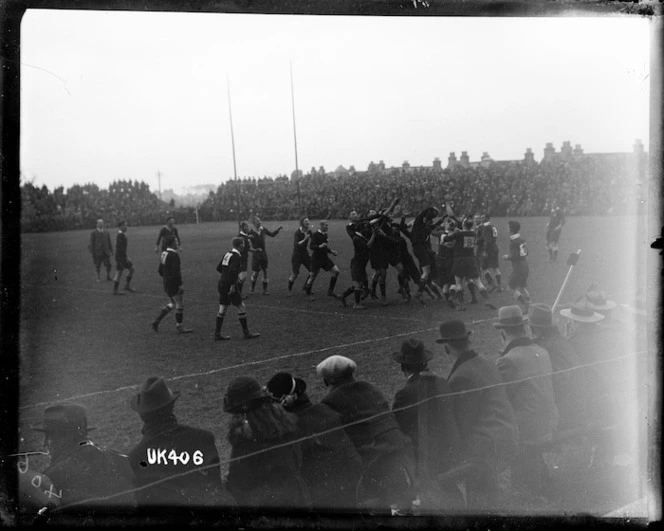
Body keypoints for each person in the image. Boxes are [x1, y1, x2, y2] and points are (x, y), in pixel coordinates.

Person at [316, 355, 415, 515]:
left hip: (371, 463)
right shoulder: (370, 388)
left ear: (329, 380)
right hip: (397, 455)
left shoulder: (330, 400)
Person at [437, 320, 518, 512]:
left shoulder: (461, 375)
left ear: (447, 347)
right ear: (467, 341)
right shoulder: (485, 362)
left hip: (487, 445)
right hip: (505, 434)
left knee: (478, 499)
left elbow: (464, 423)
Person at [266, 373, 363, 510]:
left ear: (285, 402)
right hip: (353, 485)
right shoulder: (326, 410)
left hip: (323, 497)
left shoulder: (288, 431)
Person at [128, 377, 227, 507]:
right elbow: (215, 489)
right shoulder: (203, 439)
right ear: (171, 406)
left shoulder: (135, 458)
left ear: (142, 415)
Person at [493, 305, 559, 496]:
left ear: (503, 332)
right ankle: (538, 483)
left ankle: (525, 491)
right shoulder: (541, 350)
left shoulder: (508, 360)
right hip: (549, 422)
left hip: (528, 430)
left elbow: (502, 399)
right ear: (523, 328)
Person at [391, 338, 464, 511]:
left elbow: (398, 427)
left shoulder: (405, 393)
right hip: (450, 450)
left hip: (424, 458)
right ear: (425, 363)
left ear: (403, 367)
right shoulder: (442, 382)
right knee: (448, 493)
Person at [223, 376, 311, 509]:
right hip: (297, 497)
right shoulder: (285, 423)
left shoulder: (245, 440)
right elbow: (297, 459)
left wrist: (226, 482)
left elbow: (239, 485)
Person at [31, 403, 136, 510]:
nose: (44, 444)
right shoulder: (119, 459)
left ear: (68, 437)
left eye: (49, 436)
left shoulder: (49, 479)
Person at [561, 301, 624, 470]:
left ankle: (598, 463)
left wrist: (567, 337)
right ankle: (605, 458)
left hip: (591, 391)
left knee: (595, 426)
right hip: (609, 385)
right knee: (605, 424)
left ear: (575, 321)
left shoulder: (574, 340)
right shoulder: (602, 333)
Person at [528, 303, 589, 431]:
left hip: (568, 416)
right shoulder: (560, 341)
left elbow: (559, 385)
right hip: (577, 407)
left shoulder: (546, 348)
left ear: (534, 328)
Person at [214, 237, 260, 341]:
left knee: (222, 308)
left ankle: (217, 334)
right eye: (243, 244)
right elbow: (232, 271)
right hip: (229, 285)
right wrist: (233, 285)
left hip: (222, 283)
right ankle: (246, 333)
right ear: (240, 245)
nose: (244, 246)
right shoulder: (236, 257)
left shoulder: (227, 254)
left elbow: (219, 268)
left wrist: (225, 277)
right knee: (241, 306)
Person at [443, 217, 490, 310]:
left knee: (458, 283)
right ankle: (489, 301)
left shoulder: (458, 234)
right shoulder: (473, 233)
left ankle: (461, 305)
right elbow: (464, 234)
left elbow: (446, 239)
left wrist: (450, 231)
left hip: (459, 260)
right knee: (478, 282)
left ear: (464, 224)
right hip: (471, 259)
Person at [151, 235, 193, 334]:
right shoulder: (174, 255)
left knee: (172, 303)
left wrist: (166, 278)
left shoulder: (164, 253)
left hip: (166, 283)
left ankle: (156, 321)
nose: (177, 243)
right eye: (176, 242)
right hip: (173, 284)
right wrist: (180, 284)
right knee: (179, 303)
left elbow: (160, 270)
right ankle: (179, 326)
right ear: (172, 243)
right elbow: (176, 272)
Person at [338, 221, 376, 309]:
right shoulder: (357, 239)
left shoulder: (360, 236)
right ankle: (356, 304)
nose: (367, 229)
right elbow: (368, 246)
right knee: (358, 284)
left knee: (361, 282)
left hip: (361, 264)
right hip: (357, 264)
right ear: (361, 229)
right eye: (365, 228)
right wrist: (374, 235)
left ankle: (343, 295)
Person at [304, 220, 341, 301]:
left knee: (336, 272)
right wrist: (319, 246)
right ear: (321, 226)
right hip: (316, 259)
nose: (327, 227)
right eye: (326, 225)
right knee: (312, 276)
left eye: (327, 225)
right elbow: (311, 246)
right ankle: (308, 295)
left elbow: (325, 247)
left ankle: (330, 291)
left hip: (324, 258)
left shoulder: (325, 235)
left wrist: (331, 251)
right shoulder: (315, 235)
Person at [248, 215, 283, 295]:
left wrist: (278, 230)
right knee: (256, 272)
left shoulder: (263, 230)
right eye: (257, 221)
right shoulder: (251, 232)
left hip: (263, 253)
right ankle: (252, 288)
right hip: (256, 254)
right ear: (253, 223)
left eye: (260, 220)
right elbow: (245, 241)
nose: (259, 222)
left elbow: (272, 234)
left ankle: (265, 290)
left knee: (265, 271)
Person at [502, 220, 530, 309]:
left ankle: (526, 304)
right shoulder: (521, 240)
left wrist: (507, 257)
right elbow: (526, 253)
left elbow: (514, 256)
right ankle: (528, 307)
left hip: (518, 268)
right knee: (522, 287)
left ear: (511, 230)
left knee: (510, 288)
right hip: (525, 265)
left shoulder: (513, 242)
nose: (507, 229)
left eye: (508, 227)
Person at [287, 217, 313, 295]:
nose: (308, 222)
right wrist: (305, 239)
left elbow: (314, 240)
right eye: (306, 221)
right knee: (295, 274)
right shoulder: (297, 232)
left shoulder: (309, 231)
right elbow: (296, 244)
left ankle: (306, 287)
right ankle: (289, 290)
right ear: (302, 223)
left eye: (308, 221)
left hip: (305, 254)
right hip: (297, 255)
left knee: (312, 271)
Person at [478, 214, 502, 293]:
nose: (481, 218)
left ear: (488, 218)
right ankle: (499, 286)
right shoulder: (492, 226)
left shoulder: (486, 228)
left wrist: (484, 251)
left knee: (484, 268)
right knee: (496, 268)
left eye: (483, 217)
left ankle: (491, 284)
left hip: (489, 250)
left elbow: (487, 241)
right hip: (495, 248)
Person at [112, 220, 135, 295]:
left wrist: (126, 256)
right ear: (121, 226)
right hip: (120, 258)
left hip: (123, 257)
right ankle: (115, 291)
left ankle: (127, 286)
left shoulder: (122, 234)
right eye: (125, 225)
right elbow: (120, 249)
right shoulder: (120, 235)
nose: (126, 227)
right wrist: (126, 257)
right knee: (119, 273)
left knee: (132, 269)